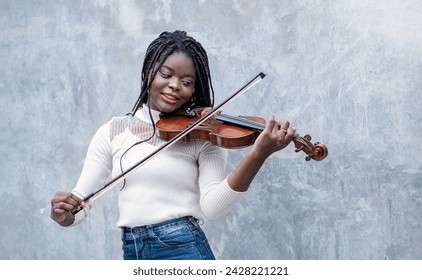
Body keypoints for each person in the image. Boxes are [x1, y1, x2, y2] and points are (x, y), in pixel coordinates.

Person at [50, 30, 295, 260]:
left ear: (194, 89)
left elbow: (213, 208)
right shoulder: (113, 131)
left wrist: (258, 155)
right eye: (166, 75)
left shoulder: (202, 135)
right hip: (132, 250)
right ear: (148, 71)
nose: (175, 85)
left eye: (187, 82)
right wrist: (64, 214)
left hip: (183, 248)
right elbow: (80, 203)